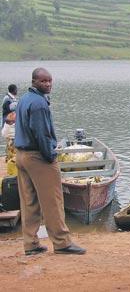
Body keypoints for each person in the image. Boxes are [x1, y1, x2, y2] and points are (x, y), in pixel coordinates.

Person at [14, 68, 86, 255]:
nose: (48, 84)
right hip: (38, 157)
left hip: (21, 155)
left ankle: (30, 244)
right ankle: (62, 242)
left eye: (50, 81)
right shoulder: (39, 104)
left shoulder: (23, 99)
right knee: (53, 201)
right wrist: (51, 156)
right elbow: (42, 134)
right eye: (43, 81)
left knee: (29, 202)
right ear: (34, 82)